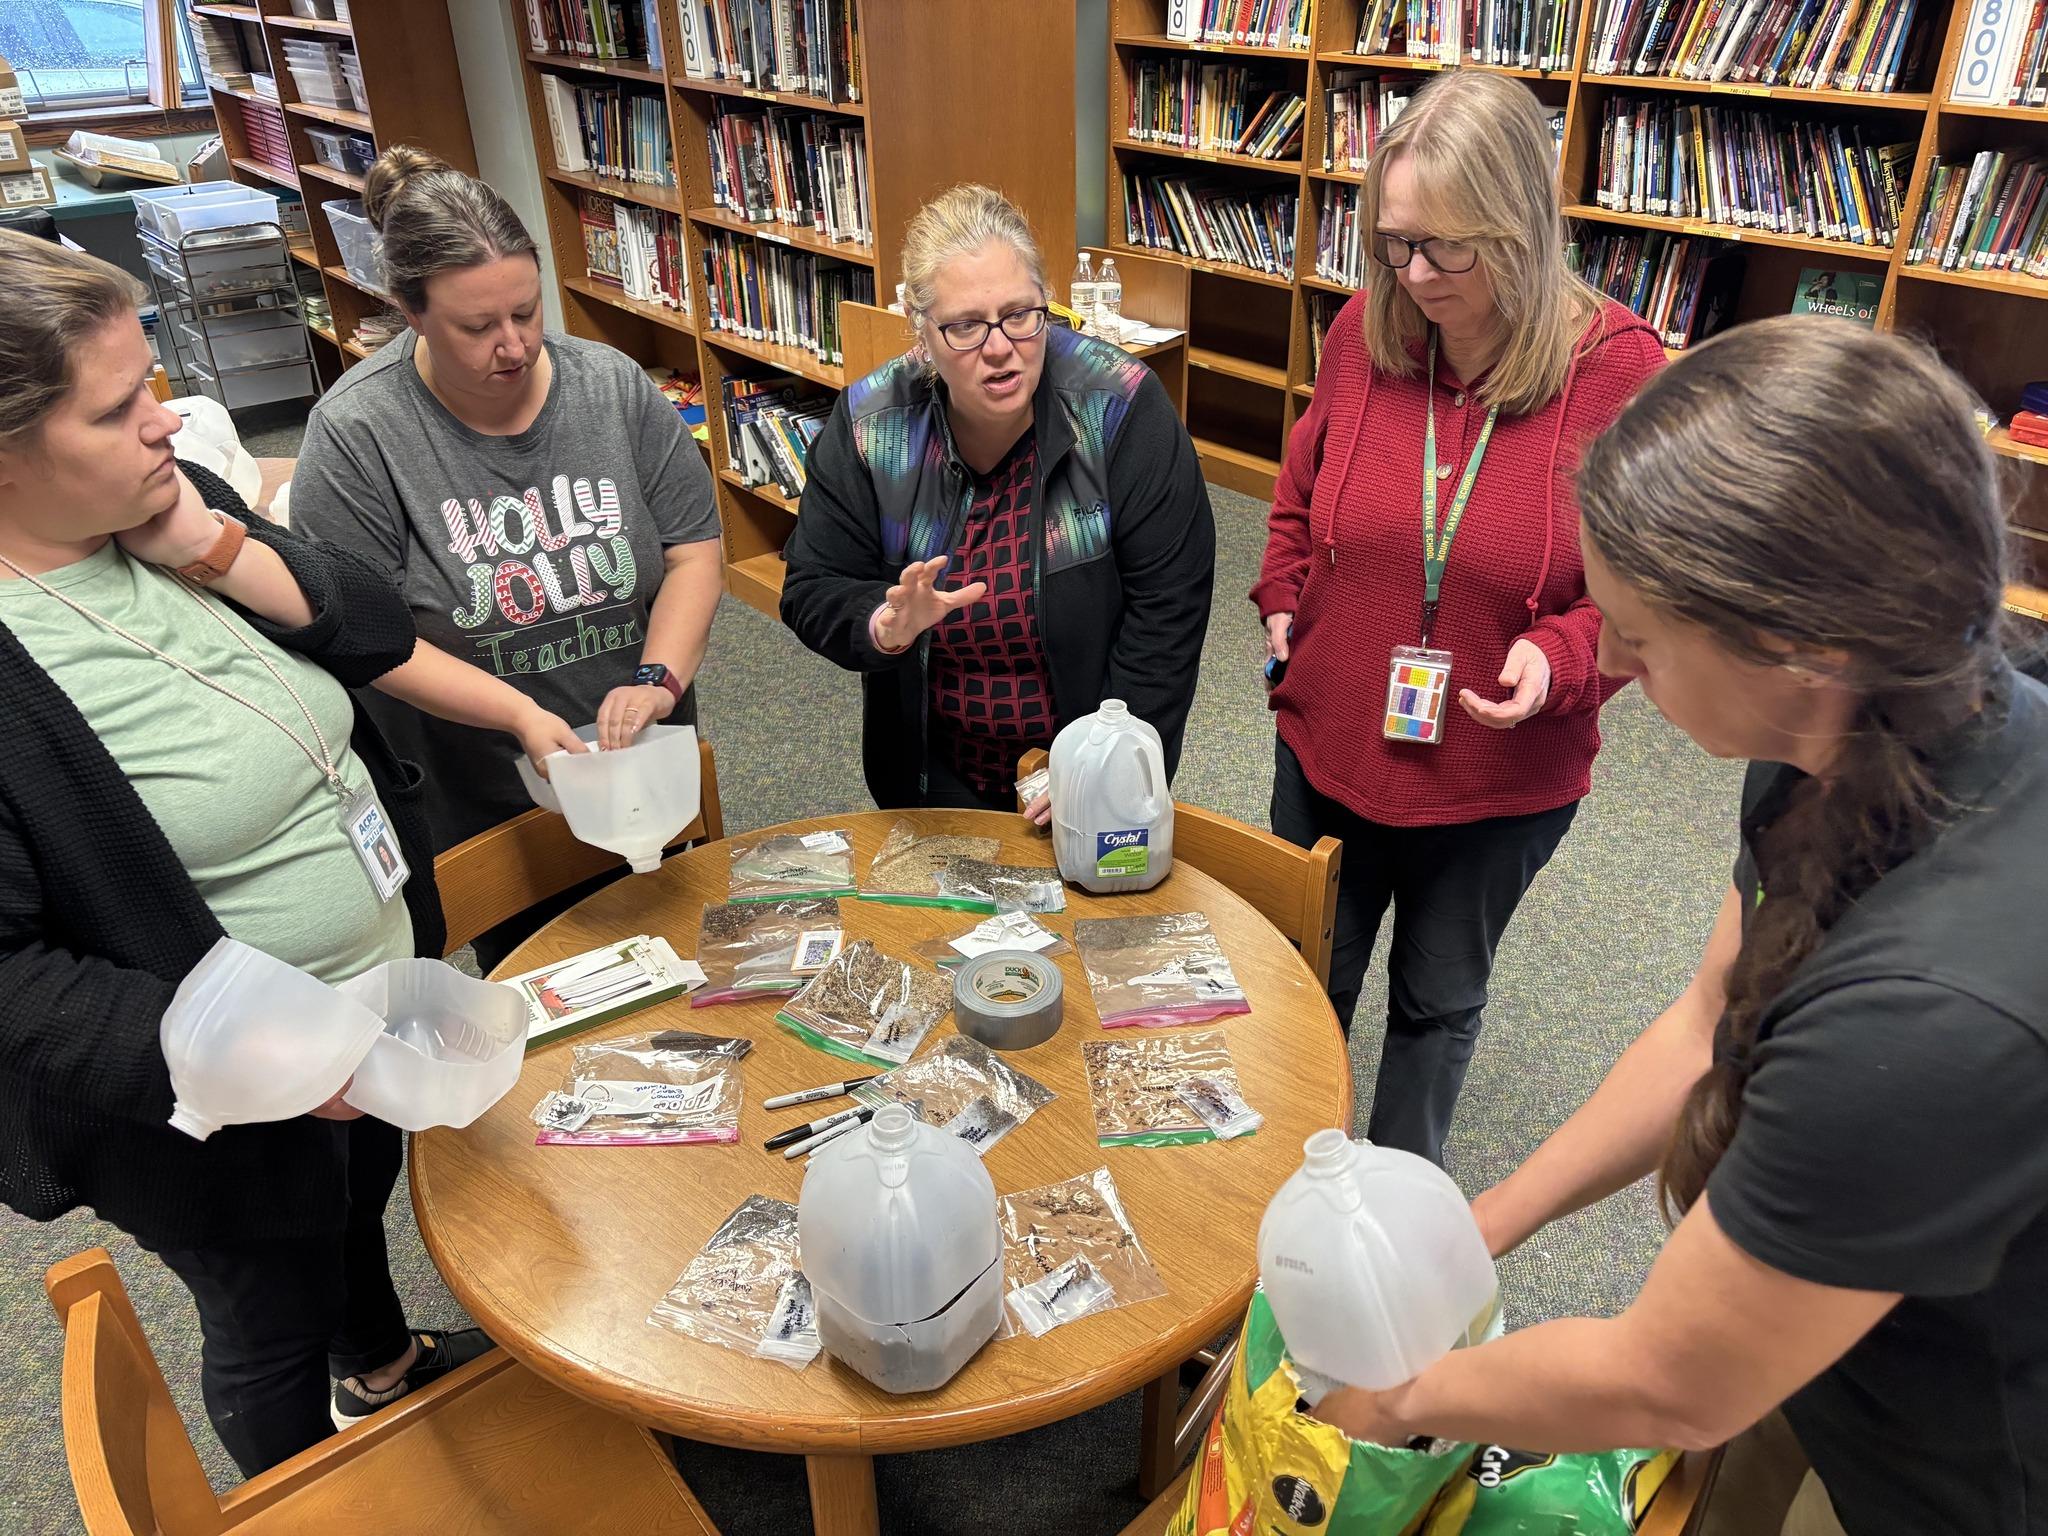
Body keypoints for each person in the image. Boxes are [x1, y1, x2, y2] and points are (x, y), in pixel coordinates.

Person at [1311, 318, 2048, 1536]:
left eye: (1641, 642)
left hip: (1963, 1456)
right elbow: (1709, 1017)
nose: (1606, 659)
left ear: (1798, 643)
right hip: (1827, 1332)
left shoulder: (1928, 1021)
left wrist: (1403, 1399)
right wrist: (1479, 1224)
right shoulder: (1854, 720)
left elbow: (1669, 1382)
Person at [0, 230, 487, 1476]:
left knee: (351, 1211)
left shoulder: (161, 504)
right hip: (208, 1103)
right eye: (118, 410)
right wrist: (259, 1052)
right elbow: (11, 984)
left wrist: (212, 548)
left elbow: (373, 624)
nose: (166, 425)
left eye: (152, 382)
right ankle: (308, 1491)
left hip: (366, 1011)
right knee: (266, 1312)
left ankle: (376, 1365)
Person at [1253, 72, 1665, 1164]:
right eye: (1393, 243)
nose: (1414, 275)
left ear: (1519, 227)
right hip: (1331, 735)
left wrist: (1561, 655)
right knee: (1304, 977)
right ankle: (1273, 1191)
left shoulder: (1615, 371)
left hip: (1495, 775)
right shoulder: (1364, 331)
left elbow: (1645, 592)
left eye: (1446, 248)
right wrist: (1283, 598)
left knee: (1434, 1005)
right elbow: (1297, 496)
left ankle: (1385, 1224)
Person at [291, 147, 723, 969]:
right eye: (477, 327)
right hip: (486, 786)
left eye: (526, 312)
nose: (515, 344)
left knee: (681, 957)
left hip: (641, 759)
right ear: (411, 312)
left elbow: (694, 551)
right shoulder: (357, 435)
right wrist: (520, 717)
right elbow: (369, 638)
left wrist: (658, 678)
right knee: (548, 980)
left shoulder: (613, 388)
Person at [780, 183, 1215, 814]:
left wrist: (1103, 771)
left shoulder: (1120, 408)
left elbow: (1168, 611)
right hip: (931, 777)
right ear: (919, 331)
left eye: (1020, 314)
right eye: (964, 326)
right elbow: (812, 585)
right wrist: (884, 624)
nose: (1000, 347)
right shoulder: (872, 426)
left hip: (1083, 764)